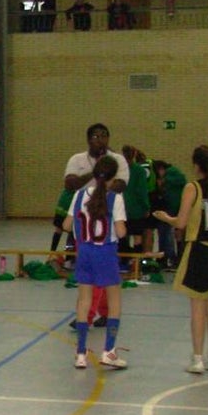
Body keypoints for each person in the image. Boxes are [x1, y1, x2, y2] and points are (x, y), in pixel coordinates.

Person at [152, 145, 208, 374]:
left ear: (197, 165)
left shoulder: (192, 188)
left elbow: (181, 222)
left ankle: (197, 359)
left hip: (200, 251)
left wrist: (166, 218)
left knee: (197, 308)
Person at [63, 155, 128, 369]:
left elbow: (66, 225)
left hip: (84, 252)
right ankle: (108, 351)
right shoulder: (115, 198)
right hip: (105, 252)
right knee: (114, 301)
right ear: (113, 177)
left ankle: (81, 353)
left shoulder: (80, 195)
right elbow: (121, 232)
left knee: (84, 300)